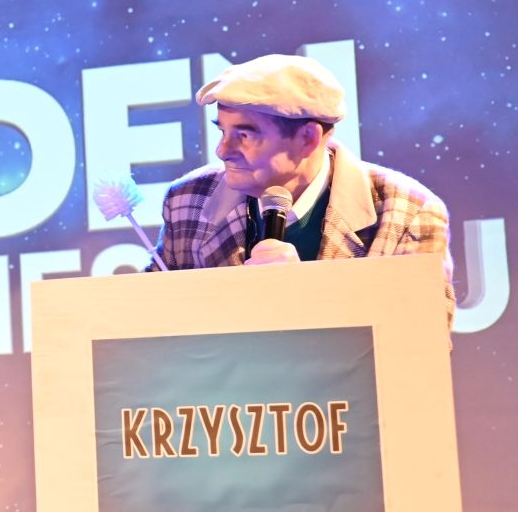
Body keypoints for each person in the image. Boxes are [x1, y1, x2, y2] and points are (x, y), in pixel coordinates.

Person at [152, 53, 455, 324]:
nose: (223, 151)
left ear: (308, 138)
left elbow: (420, 340)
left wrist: (309, 294)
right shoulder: (187, 200)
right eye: (222, 131)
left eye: (244, 136)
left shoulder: (408, 214)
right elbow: (154, 323)